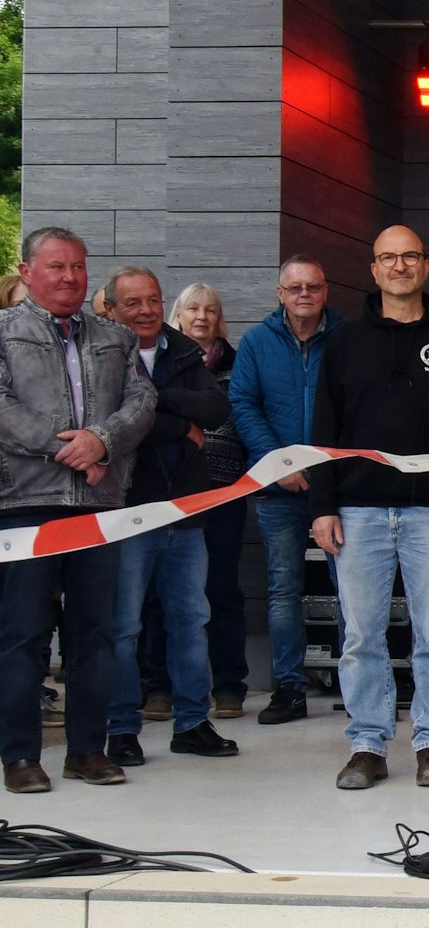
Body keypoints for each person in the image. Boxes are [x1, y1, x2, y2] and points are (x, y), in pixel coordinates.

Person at [312, 226, 429, 791]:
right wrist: (323, 505)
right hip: (358, 508)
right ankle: (367, 743)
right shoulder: (344, 342)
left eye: (410, 256)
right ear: (374, 269)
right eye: (389, 257)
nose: (400, 266)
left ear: (425, 266)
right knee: (361, 635)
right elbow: (324, 431)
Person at [0, 227, 156, 793]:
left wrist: (103, 441)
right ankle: (20, 756)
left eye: (79, 267)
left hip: (99, 504)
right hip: (23, 503)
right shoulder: (4, 332)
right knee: (22, 633)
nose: (70, 277)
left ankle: (88, 750)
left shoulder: (115, 336)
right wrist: (68, 447)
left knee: (97, 632)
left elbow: (143, 400)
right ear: (26, 272)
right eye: (57, 266)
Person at [103, 266, 238, 768]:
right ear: (112, 309)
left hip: (184, 510)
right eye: (133, 302)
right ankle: (121, 730)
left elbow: (216, 408)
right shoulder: (104, 353)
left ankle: (192, 724)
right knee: (123, 627)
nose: (145, 310)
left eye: (153, 300)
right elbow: (113, 425)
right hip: (126, 510)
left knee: (192, 620)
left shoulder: (182, 349)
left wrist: (155, 405)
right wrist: (180, 428)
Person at [230, 255, 342, 725]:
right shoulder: (256, 342)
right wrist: (278, 464)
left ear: (325, 291)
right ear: (280, 294)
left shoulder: (346, 339)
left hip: (335, 486)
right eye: (294, 287)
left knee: (351, 588)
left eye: (312, 287)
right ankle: (289, 689)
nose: (303, 295)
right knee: (283, 589)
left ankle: (361, 686)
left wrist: (328, 471)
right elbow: (243, 403)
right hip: (278, 489)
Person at [168, 282, 250, 720]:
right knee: (163, 595)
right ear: (178, 314)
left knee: (221, 589)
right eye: (193, 309)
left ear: (221, 320)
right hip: (171, 496)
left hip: (223, 492)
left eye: (211, 311)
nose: (202, 317)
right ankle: (159, 687)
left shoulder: (239, 367)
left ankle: (230, 686)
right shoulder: (159, 365)